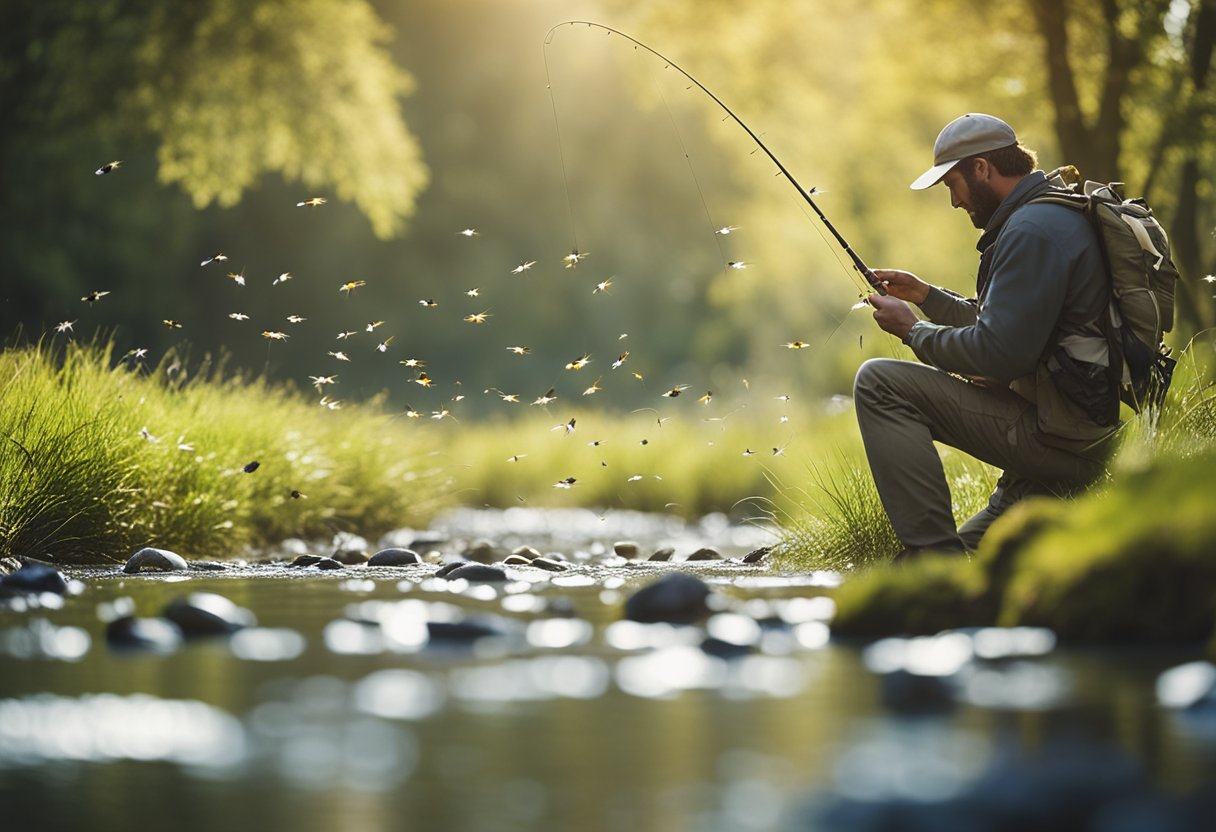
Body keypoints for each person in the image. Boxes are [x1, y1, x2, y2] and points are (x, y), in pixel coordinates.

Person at [855, 112, 1117, 560]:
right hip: (1075, 432)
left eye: (951, 185)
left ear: (981, 168)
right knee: (973, 564)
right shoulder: (1049, 216)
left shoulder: (1032, 231)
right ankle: (941, 570)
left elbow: (998, 354)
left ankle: (930, 557)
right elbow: (1009, 327)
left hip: (1064, 442)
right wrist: (926, 297)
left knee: (879, 382)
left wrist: (912, 330)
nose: (954, 202)